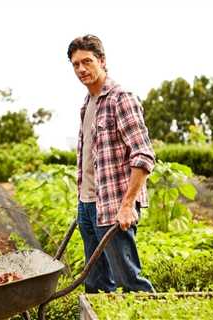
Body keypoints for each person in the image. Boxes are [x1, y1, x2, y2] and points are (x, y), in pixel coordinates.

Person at [68, 34, 155, 293]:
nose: (81, 69)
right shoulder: (86, 105)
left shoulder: (121, 98)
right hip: (87, 206)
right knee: (95, 284)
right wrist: (82, 204)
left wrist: (127, 205)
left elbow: (143, 155)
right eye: (75, 64)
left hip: (113, 206)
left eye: (87, 61)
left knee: (130, 281)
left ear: (102, 61)